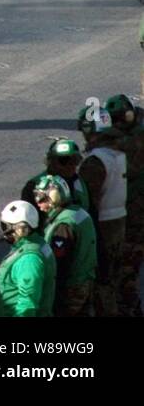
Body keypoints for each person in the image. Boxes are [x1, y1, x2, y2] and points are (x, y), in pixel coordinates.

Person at [77, 103, 128, 318]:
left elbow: (89, 201)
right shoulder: (118, 155)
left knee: (100, 279)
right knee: (115, 276)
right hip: (119, 220)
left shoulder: (95, 161)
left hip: (102, 225)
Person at [33, 174, 97, 317]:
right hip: (86, 280)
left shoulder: (63, 225)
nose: (38, 203)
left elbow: (59, 263)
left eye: (42, 199)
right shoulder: (78, 212)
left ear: (53, 199)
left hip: (70, 288)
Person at [106, 94, 144, 316]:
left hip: (133, 214)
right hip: (132, 211)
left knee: (126, 267)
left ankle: (128, 306)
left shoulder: (132, 143)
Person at [0, 200, 56, 318]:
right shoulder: (38, 243)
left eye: (6, 226)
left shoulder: (29, 260)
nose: (5, 232)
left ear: (21, 229)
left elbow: (27, 304)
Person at [20, 138, 91, 214]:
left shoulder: (81, 182)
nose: (70, 165)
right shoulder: (34, 186)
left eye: (75, 160)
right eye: (63, 160)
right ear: (51, 161)